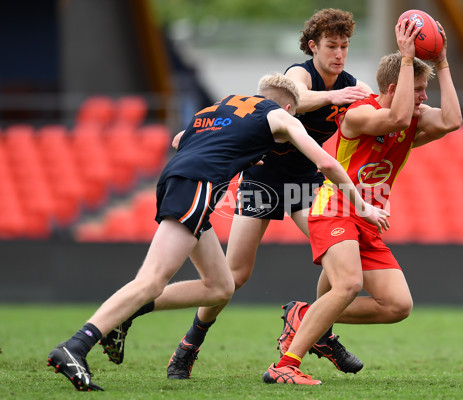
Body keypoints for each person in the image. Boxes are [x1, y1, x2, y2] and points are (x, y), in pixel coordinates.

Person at [46, 72, 389, 392]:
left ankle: (125, 317)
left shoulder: (220, 105)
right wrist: (363, 205)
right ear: (289, 107)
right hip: (196, 186)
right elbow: (326, 163)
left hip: (178, 180)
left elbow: (181, 139)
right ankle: (76, 345)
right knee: (151, 281)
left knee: (220, 285)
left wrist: (241, 153)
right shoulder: (282, 115)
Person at [98, 8, 373, 380]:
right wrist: (337, 95)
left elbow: (367, 116)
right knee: (234, 276)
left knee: (337, 257)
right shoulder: (299, 74)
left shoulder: (350, 82)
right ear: (313, 46)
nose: (339, 54)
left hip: (305, 185)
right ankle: (187, 344)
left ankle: (320, 331)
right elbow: (298, 102)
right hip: (262, 179)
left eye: (344, 46)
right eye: (331, 46)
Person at [262, 17, 462, 385]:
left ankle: (305, 314)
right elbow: (396, 115)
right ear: (394, 86)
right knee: (348, 285)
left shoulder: (413, 120)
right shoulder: (358, 113)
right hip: (334, 207)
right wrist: (405, 59)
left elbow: (452, 120)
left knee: (398, 305)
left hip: (367, 220)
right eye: (418, 89)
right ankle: (285, 366)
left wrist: (442, 62)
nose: (423, 98)